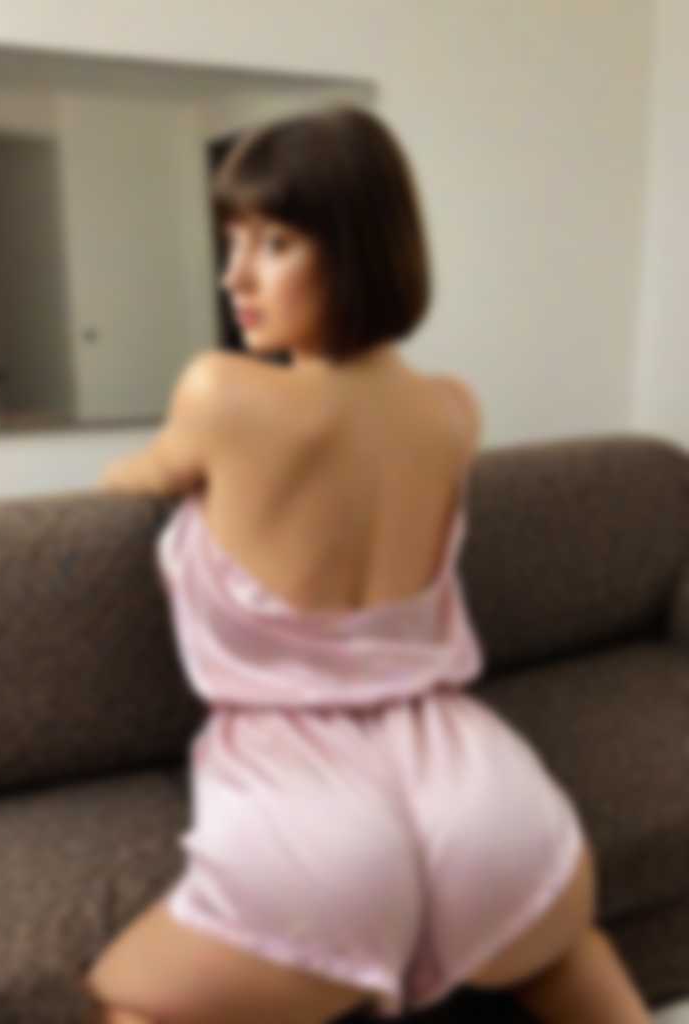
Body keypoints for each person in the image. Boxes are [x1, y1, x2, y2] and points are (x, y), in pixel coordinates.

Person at [83, 104, 653, 1024]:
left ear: (355, 251)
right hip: (483, 791)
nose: (235, 277)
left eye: (274, 243)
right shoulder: (454, 411)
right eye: (233, 242)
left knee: (121, 994)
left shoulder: (219, 392)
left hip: (305, 806)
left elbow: (134, 479)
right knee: (567, 957)